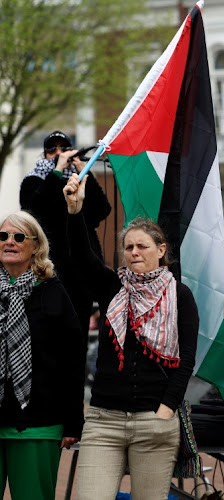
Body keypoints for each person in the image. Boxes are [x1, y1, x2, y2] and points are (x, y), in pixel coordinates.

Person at [63, 174, 198, 500]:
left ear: (161, 249)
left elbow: (186, 359)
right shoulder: (112, 286)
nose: (134, 251)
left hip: (154, 423)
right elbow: (82, 258)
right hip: (103, 422)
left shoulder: (180, 295)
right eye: (128, 247)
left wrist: (167, 408)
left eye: (142, 245)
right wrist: (74, 211)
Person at [0, 211, 84, 499]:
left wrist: (73, 422)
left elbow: (73, 362)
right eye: (3, 236)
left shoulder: (53, 292)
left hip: (38, 424)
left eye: (19, 236)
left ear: (35, 246)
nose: (9, 242)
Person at [20, 132, 112, 350]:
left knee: (77, 338)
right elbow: (34, 210)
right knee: (50, 339)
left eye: (64, 147)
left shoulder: (79, 181)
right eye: (52, 148)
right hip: (49, 271)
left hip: (80, 273)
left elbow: (101, 211)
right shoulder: (34, 180)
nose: (58, 152)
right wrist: (57, 171)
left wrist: (83, 174)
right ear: (45, 153)